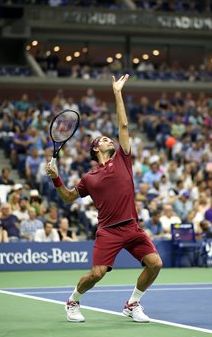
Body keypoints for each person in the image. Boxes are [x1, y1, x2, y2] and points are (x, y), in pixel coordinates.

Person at [46, 74, 162, 323]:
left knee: (155, 264)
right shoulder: (89, 178)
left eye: (111, 139)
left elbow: (123, 126)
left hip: (132, 226)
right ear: (96, 148)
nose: (111, 139)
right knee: (97, 274)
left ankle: (132, 304)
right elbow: (67, 198)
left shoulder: (123, 159)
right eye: (104, 140)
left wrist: (117, 93)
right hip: (108, 231)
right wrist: (56, 178)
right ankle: (73, 301)